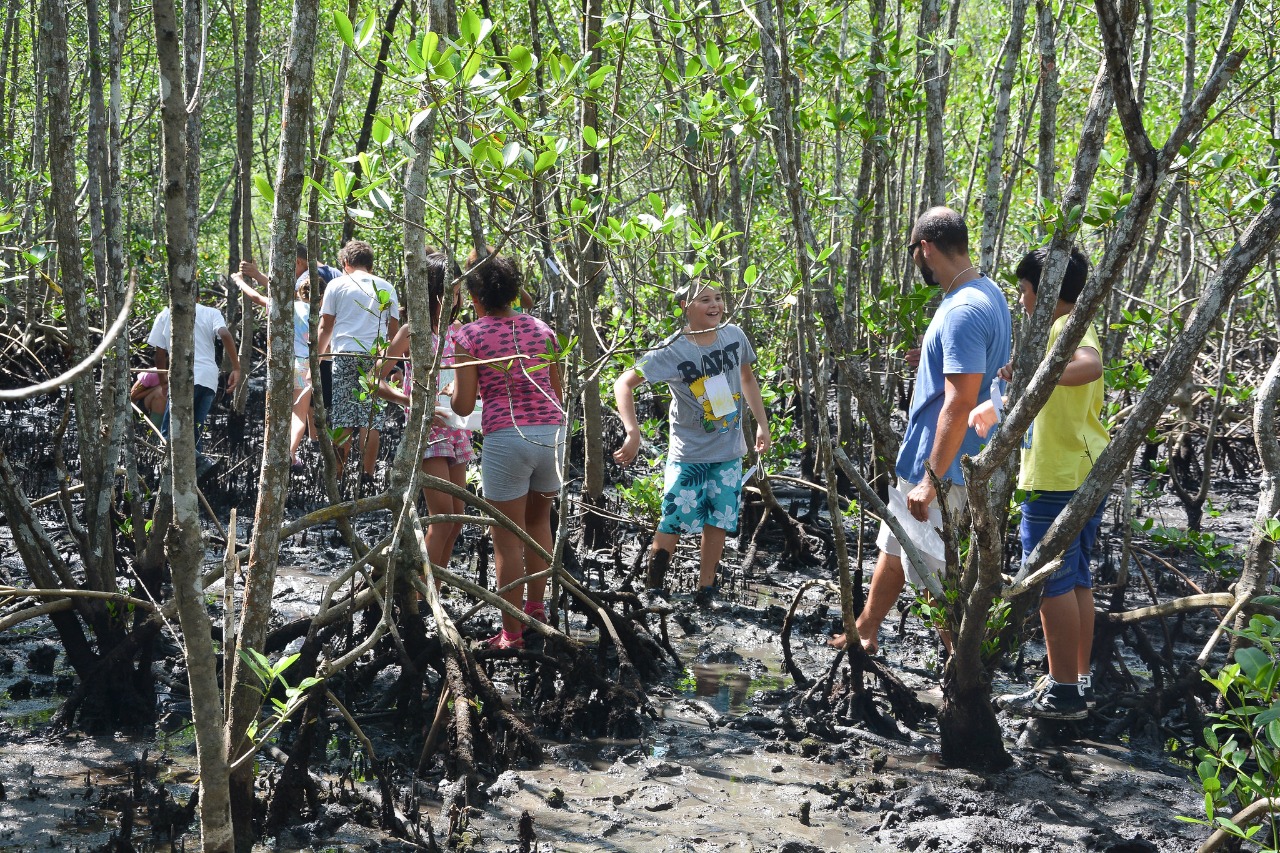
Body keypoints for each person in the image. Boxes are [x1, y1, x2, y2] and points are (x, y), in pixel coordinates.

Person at [832, 206, 1011, 653]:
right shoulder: (987, 293)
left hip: (944, 464)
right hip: (941, 458)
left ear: (925, 248)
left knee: (934, 571)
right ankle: (866, 632)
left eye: (913, 252)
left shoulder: (963, 310)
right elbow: (971, 372)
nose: (916, 261)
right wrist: (928, 359)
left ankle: (960, 667)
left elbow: (961, 401)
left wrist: (931, 482)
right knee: (898, 547)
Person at [970, 246, 1108, 720]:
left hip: (1057, 476)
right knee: (1076, 580)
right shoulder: (1059, 331)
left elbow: (1090, 365)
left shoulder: (1064, 328)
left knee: (1049, 581)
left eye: (1025, 291)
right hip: (1081, 469)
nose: (1023, 299)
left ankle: (1065, 693)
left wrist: (1035, 376)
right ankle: (1074, 679)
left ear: (1043, 290)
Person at [613, 280, 771, 607]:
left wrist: (761, 425)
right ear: (685, 306)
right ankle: (653, 588)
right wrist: (633, 432)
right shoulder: (673, 348)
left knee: (719, 520)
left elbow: (747, 379)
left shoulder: (734, 335)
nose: (715, 305)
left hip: (728, 452)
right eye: (704, 300)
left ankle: (706, 590)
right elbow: (623, 384)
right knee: (673, 516)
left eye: (718, 297)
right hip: (690, 454)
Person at [450, 251, 565, 650]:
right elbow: (558, 390)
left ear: (475, 297)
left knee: (506, 539)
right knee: (539, 524)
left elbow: (464, 406)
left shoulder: (467, 335)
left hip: (507, 438)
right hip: (552, 435)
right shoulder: (543, 330)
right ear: (515, 292)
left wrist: (452, 392)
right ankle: (536, 609)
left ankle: (511, 634)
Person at [377, 250, 472, 584]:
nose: (455, 298)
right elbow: (375, 379)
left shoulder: (459, 330)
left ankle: (436, 591)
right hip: (427, 432)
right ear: (431, 290)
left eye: (458, 291)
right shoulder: (412, 330)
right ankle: (419, 593)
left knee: (456, 520)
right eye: (449, 291)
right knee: (442, 518)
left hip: (458, 428)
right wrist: (412, 403)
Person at [316, 239, 400, 488]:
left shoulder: (336, 284)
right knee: (370, 418)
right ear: (370, 265)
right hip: (375, 357)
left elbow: (326, 326)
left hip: (343, 356)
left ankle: (338, 476)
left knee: (342, 416)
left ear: (345, 263)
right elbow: (393, 330)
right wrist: (388, 360)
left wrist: (318, 358)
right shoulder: (387, 287)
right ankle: (367, 476)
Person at [147, 293, 242, 475]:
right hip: (208, 379)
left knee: (168, 433)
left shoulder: (166, 314)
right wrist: (236, 368)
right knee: (194, 429)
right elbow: (225, 334)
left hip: (183, 378)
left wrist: (164, 384)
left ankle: (201, 461)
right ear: (198, 297)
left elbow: (159, 355)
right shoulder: (211, 312)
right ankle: (195, 475)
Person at [233, 268, 316, 472]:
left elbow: (255, 297)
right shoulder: (319, 314)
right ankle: (290, 453)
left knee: (278, 412)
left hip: (281, 364)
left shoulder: (285, 307)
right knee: (299, 415)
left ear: (298, 291)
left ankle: (275, 453)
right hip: (303, 365)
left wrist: (239, 281)